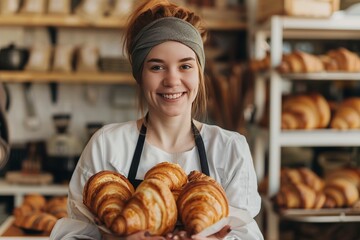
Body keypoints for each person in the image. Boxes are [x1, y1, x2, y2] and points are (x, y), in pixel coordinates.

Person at [49, 0, 263, 239]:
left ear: (199, 74)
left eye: (185, 66)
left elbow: (246, 234)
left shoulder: (230, 149)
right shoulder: (107, 145)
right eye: (157, 67)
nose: (172, 80)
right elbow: (74, 233)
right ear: (140, 75)